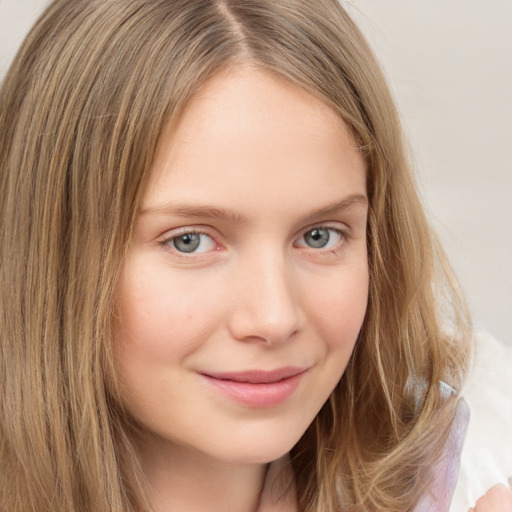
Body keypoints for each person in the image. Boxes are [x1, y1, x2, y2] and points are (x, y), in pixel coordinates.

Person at [0, 1, 510, 511]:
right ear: (51, 255)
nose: (274, 317)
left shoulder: (478, 466)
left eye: (320, 236)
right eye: (190, 241)